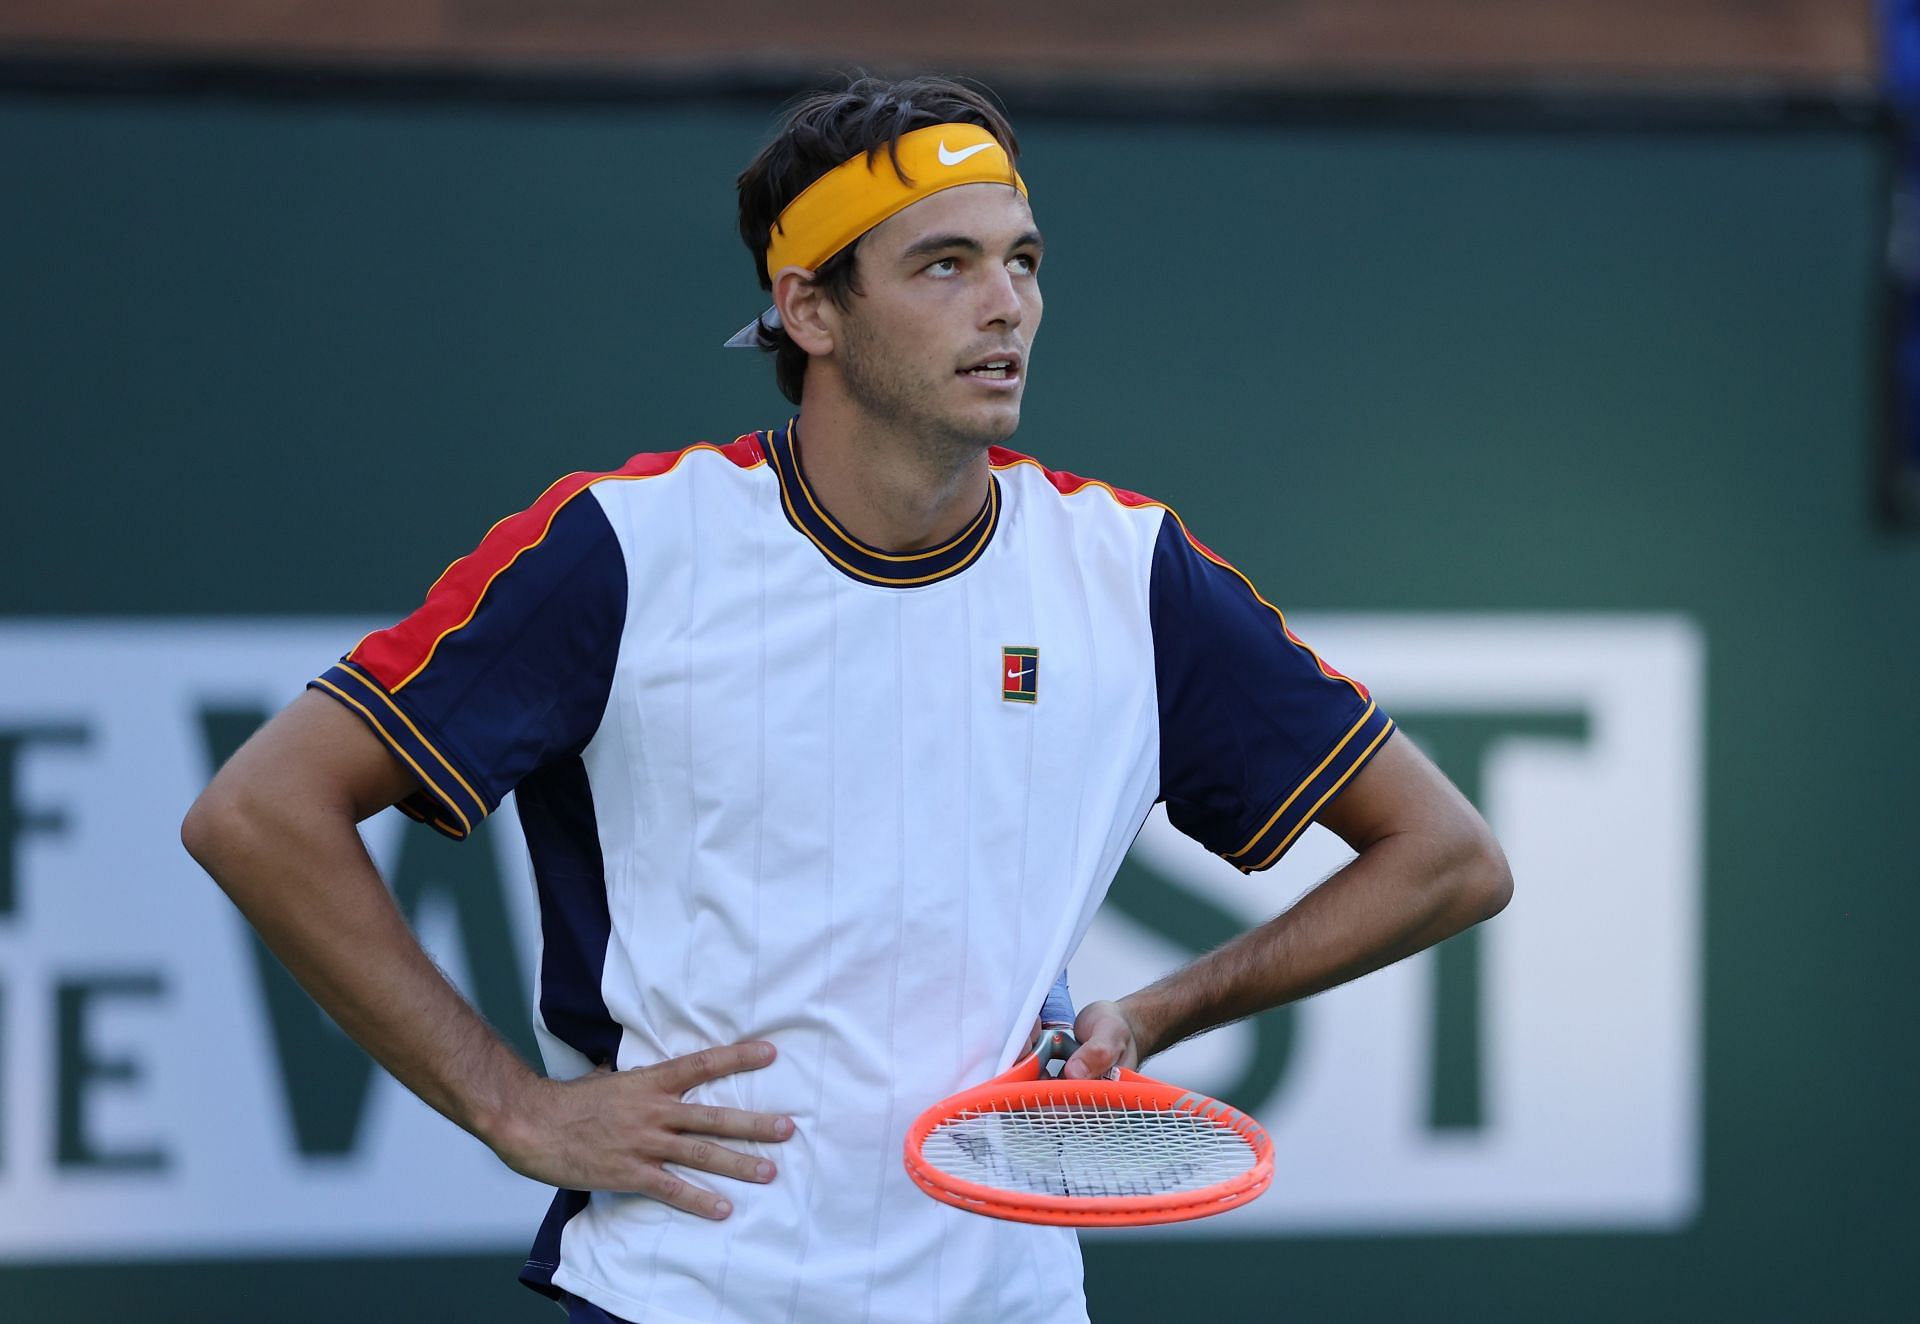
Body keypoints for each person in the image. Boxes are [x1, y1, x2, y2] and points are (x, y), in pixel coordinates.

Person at [181, 73, 1511, 1324]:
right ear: (810, 309)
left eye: (1022, 259)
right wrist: (510, 1109)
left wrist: (1154, 1012)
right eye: (946, 264)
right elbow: (261, 812)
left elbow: (1447, 860)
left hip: (1010, 1298)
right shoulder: (625, 545)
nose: (1009, 305)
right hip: (679, 1293)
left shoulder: (1133, 571)